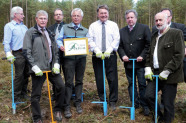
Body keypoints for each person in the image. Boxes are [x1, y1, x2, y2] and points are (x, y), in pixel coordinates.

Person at [23, 10, 65, 122]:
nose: (43, 20)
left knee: (61, 86)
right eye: (40, 18)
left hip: (51, 68)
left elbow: (55, 50)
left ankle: (57, 109)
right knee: (36, 94)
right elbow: (26, 51)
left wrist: (56, 63)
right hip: (38, 69)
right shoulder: (30, 33)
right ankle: (37, 117)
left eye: (45, 18)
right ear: (36, 19)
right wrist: (34, 67)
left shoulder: (50, 32)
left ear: (47, 20)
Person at [145, 12, 184, 123]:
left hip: (170, 75)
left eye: (160, 20)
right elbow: (149, 54)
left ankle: (167, 120)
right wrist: (147, 68)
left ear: (167, 20)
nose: (158, 22)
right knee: (148, 96)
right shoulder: (154, 36)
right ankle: (158, 117)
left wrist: (167, 70)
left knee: (167, 103)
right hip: (155, 73)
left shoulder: (176, 33)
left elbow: (179, 55)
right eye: (156, 20)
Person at [117, 9, 151, 116]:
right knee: (131, 84)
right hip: (128, 64)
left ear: (136, 18)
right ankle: (135, 103)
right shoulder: (122, 31)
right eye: (128, 18)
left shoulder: (144, 28)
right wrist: (123, 55)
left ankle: (144, 104)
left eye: (132, 17)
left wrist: (142, 55)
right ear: (126, 19)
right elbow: (120, 46)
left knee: (142, 83)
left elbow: (148, 44)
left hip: (141, 63)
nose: (130, 19)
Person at [56, 8, 88, 118]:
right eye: (74, 15)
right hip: (68, 59)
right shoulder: (65, 28)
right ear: (71, 17)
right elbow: (59, 39)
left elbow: (89, 43)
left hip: (81, 59)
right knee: (68, 82)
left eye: (78, 16)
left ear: (81, 17)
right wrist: (60, 45)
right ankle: (67, 105)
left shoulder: (85, 30)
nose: (76, 17)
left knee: (79, 81)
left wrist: (88, 46)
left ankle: (78, 102)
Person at [88, 5, 119, 111]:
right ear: (98, 14)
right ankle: (103, 99)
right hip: (97, 56)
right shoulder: (92, 26)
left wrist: (109, 50)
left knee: (112, 78)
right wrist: (96, 51)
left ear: (108, 14)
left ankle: (113, 100)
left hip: (110, 55)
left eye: (105, 13)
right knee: (99, 78)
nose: (103, 15)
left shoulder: (113, 25)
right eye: (101, 13)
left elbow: (116, 39)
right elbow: (90, 40)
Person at [3, 6, 30, 102]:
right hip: (17, 53)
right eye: (22, 14)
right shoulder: (9, 26)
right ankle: (17, 96)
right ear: (15, 14)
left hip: (27, 53)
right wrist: (7, 53)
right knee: (19, 75)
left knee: (27, 73)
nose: (23, 15)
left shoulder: (24, 26)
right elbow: (6, 41)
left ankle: (24, 92)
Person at [152, 8, 186, 82]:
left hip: (177, 59)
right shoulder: (155, 29)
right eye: (157, 20)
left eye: (166, 16)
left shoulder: (180, 28)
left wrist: (185, 48)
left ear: (170, 17)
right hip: (160, 63)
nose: (158, 22)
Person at [48, 8, 65, 101]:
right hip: (54, 54)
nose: (58, 15)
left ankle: (68, 92)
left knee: (68, 74)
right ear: (54, 16)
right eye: (56, 14)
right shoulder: (49, 28)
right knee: (55, 74)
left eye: (60, 14)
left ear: (62, 16)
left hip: (66, 53)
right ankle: (56, 93)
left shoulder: (67, 27)